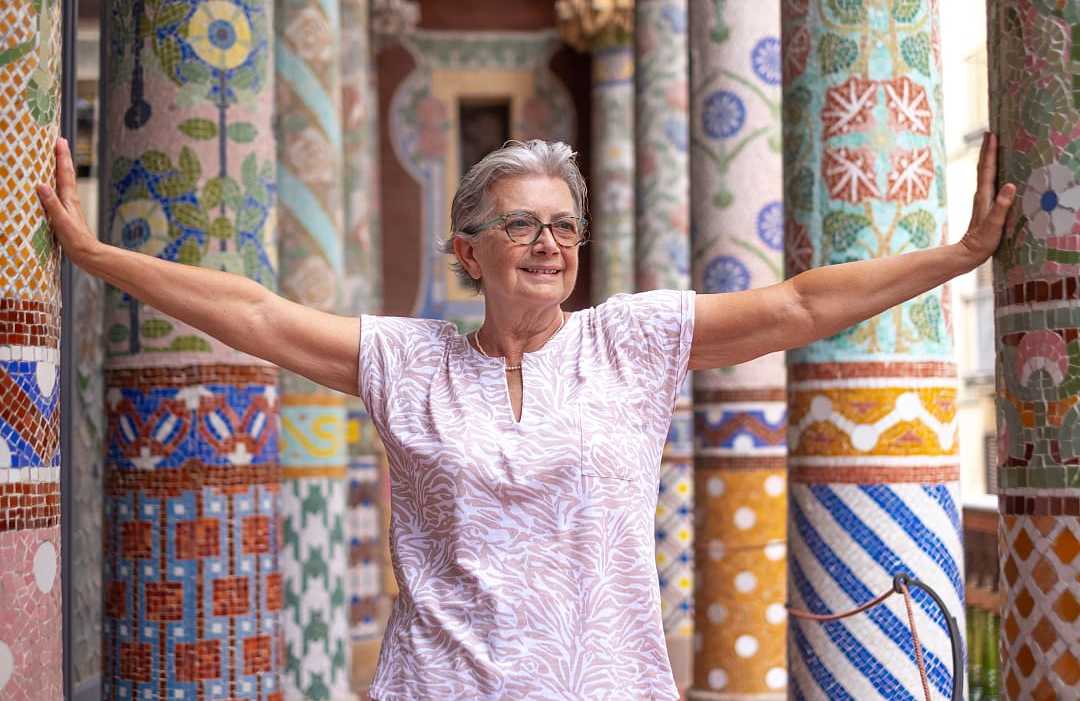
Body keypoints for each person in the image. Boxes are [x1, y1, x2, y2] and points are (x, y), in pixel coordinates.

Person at [38, 135, 1014, 700]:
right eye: (520, 222)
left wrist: (958, 253)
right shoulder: (405, 360)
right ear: (469, 249)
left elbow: (797, 305)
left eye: (562, 225)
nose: (546, 243)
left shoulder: (627, 341)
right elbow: (254, 311)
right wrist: (95, 257)